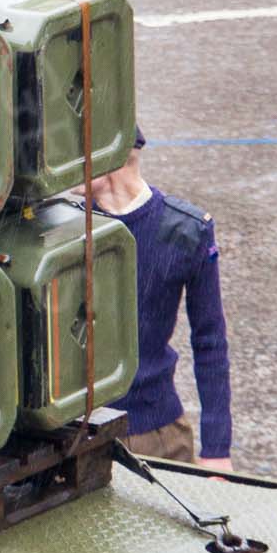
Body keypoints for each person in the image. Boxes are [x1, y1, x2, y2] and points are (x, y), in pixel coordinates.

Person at [87, 129, 234, 472]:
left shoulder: (185, 230)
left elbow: (210, 341)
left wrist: (216, 449)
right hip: (79, 437)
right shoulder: (60, 227)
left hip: (158, 435)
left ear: (106, 160)